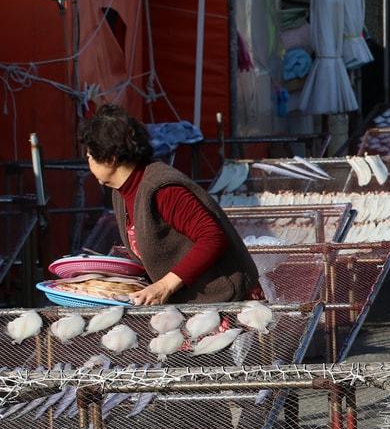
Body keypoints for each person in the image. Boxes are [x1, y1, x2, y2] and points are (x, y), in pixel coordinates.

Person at [79, 104, 258, 305]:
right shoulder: (121, 192)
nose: (88, 163)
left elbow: (212, 237)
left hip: (226, 299)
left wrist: (165, 285)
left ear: (110, 158)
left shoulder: (162, 189)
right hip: (192, 303)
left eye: (90, 156)